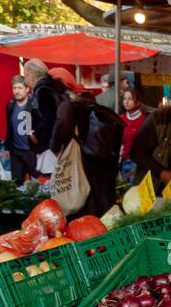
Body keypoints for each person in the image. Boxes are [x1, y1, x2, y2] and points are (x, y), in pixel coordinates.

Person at [51, 81, 122, 217]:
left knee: (85, 212)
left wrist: (54, 147)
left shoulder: (69, 107)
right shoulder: (103, 112)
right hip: (104, 174)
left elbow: (62, 126)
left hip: (84, 166)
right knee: (101, 212)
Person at [24, 59, 65, 167]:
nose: (25, 79)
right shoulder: (52, 86)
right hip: (54, 145)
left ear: (31, 75)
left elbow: (51, 120)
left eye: (25, 75)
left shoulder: (43, 91)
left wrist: (36, 136)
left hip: (50, 148)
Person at [3, 75, 37, 184]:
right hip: (16, 151)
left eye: (20, 88)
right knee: (16, 183)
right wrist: (8, 147)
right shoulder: (10, 105)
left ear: (27, 89)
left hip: (32, 151)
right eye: (14, 88)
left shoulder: (34, 104)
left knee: (37, 182)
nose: (16, 91)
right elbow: (9, 127)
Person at [119, 86, 147, 179]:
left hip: (136, 163)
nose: (126, 102)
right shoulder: (120, 119)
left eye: (130, 99)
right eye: (125, 98)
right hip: (122, 161)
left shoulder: (144, 121)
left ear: (137, 102)